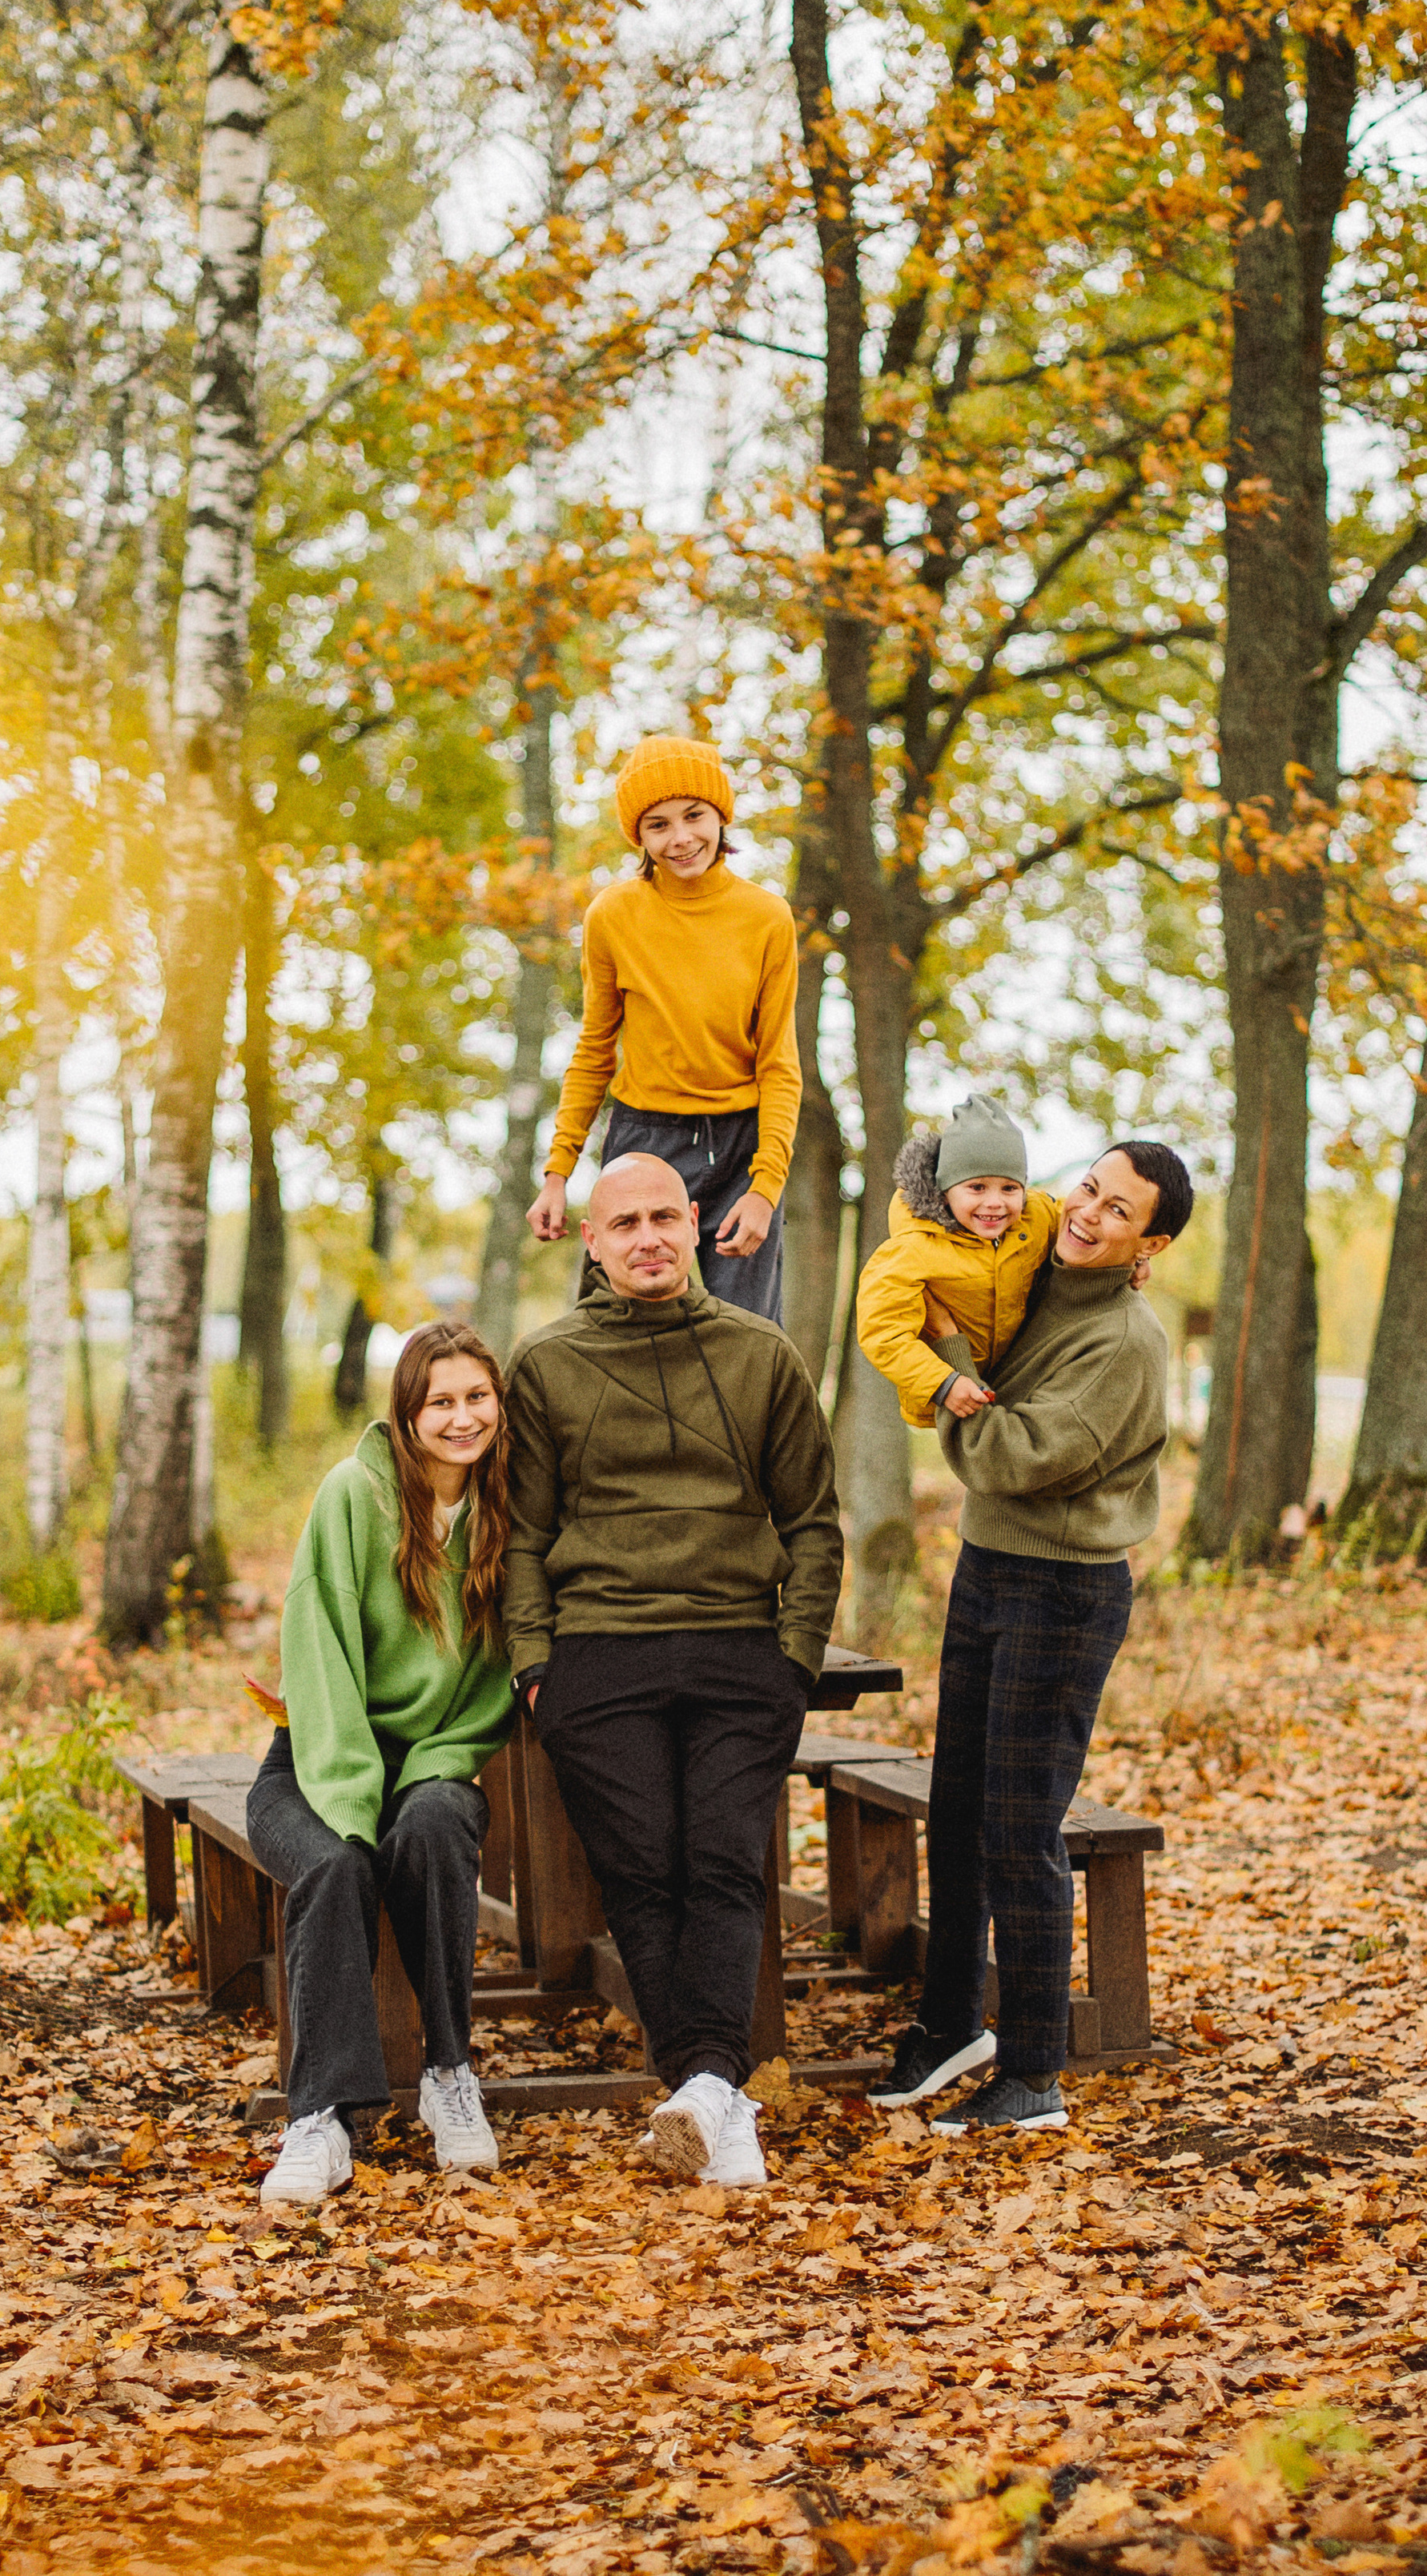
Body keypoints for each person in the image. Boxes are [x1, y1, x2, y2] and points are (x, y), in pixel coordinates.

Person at [505, 1151, 843, 2188]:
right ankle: (715, 2092)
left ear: (696, 1224)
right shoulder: (546, 1362)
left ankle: (703, 2088)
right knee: (645, 1872)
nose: (648, 1236)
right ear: (593, 1242)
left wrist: (794, 1661)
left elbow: (814, 1524)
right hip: (598, 1655)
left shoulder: (761, 1354)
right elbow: (524, 1531)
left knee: (727, 1862)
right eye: (626, 1223)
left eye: (664, 1215)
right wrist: (534, 1664)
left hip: (742, 1648)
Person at [868, 1141, 1192, 2136]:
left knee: (1019, 1827)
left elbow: (1016, 1456)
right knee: (956, 1809)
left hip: (1063, 1590)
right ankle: (952, 2025)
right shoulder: (1042, 1273)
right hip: (987, 1569)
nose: (1088, 1213)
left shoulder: (1127, 1342)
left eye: (1118, 1210)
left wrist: (945, 1370)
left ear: (1153, 1243)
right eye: (1086, 1188)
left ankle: (1035, 2073)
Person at [250, 1321, 516, 2209]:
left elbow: (490, 1686)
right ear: (406, 1414)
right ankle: (319, 2118)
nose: (460, 1417)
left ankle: (448, 2076)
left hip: (431, 1763)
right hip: (317, 1760)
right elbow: (317, 1658)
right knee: (334, 1865)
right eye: (440, 1401)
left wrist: (423, 1775)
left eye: (476, 1396)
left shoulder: (509, 1512)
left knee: (436, 1828)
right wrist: (353, 1801)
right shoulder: (352, 1497)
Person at [527, 735, 800, 1326]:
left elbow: (779, 1063)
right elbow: (595, 1049)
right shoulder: (613, 916)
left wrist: (765, 1188)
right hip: (645, 1139)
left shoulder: (767, 919)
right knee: (614, 1329)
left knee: (750, 1338)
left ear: (720, 815)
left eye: (694, 816)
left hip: (740, 1145)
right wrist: (557, 1174)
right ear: (640, 836)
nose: (680, 839)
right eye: (658, 825)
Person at [854, 1091, 1063, 1425]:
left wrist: (1134, 1255)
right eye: (977, 1188)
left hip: (1017, 1385)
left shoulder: (1037, 1217)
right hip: (949, 1395)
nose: (995, 1202)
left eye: (1009, 1188)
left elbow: (1082, 1222)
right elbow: (883, 1331)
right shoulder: (913, 1248)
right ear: (945, 1191)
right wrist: (942, 1383)